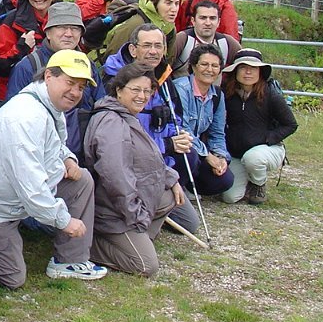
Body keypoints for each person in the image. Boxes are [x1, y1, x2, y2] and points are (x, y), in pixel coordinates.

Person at [0, 50, 107, 288]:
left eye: (80, 87)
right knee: (12, 278)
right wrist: (65, 221)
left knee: (81, 180)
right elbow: (32, 187)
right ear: (48, 76)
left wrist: (68, 158)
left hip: (14, 200)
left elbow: (54, 145)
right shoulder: (25, 117)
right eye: (69, 82)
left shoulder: (46, 105)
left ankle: (69, 261)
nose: (75, 92)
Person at [85, 63, 184, 277]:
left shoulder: (129, 116)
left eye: (147, 91)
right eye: (135, 90)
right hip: (113, 210)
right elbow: (115, 176)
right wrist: (135, 214)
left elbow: (149, 159)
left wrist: (172, 179)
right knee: (146, 266)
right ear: (119, 90)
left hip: (133, 203)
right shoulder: (111, 122)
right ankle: (88, 245)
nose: (142, 96)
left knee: (169, 197)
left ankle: (137, 238)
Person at [101, 23, 200, 233]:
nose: (153, 51)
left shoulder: (164, 78)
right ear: (133, 49)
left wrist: (178, 138)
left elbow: (177, 120)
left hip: (159, 167)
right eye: (146, 45)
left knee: (190, 224)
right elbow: (119, 142)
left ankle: (158, 205)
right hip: (130, 170)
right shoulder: (114, 81)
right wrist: (165, 144)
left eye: (158, 45)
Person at [6, 2, 106, 163]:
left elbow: (101, 105)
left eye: (74, 28)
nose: (68, 34)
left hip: (84, 154)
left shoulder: (88, 65)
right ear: (48, 33)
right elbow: (12, 116)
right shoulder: (30, 65)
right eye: (61, 27)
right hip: (41, 156)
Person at [219, 49, 297, 205]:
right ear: (235, 71)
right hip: (236, 153)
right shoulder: (226, 94)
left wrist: (268, 138)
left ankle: (258, 183)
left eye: (253, 68)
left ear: (260, 71)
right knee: (229, 197)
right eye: (242, 67)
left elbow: (290, 124)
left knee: (253, 159)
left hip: (265, 150)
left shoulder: (270, 94)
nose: (248, 72)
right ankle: (248, 179)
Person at [172, 44, 236, 198]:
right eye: (204, 64)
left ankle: (190, 186)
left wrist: (221, 158)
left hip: (198, 150)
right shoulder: (180, 88)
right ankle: (177, 189)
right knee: (190, 155)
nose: (210, 69)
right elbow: (182, 128)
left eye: (215, 66)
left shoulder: (217, 95)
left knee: (225, 180)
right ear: (194, 66)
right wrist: (207, 155)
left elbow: (217, 133)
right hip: (178, 147)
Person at [0, 0, 60, 101]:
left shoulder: (61, 18)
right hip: (11, 93)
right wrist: (21, 48)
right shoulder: (13, 20)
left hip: (50, 93)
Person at [97, 0, 182, 62]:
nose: (174, 9)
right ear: (154, 3)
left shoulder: (169, 28)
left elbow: (168, 60)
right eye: (168, 3)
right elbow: (113, 58)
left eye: (177, 3)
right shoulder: (135, 23)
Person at [170, 0, 243, 80]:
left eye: (212, 18)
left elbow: (245, 65)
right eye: (203, 18)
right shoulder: (182, 40)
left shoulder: (227, 43)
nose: (208, 23)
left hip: (215, 92)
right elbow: (163, 67)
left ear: (218, 22)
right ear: (193, 21)